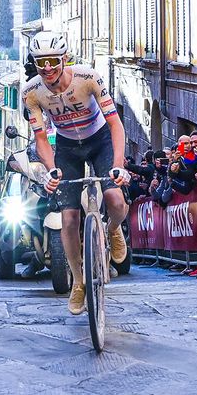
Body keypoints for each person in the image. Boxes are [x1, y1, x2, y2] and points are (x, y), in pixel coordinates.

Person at [22, 31, 129, 315]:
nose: (47, 69)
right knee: (69, 218)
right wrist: (51, 169)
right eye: (40, 62)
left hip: (99, 140)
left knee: (115, 200)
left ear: (64, 58)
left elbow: (116, 125)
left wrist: (118, 164)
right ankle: (78, 282)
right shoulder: (31, 92)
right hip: (68, 147)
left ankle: (114, 229)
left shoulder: (88, 78)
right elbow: (41, 137)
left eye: (53, 61)